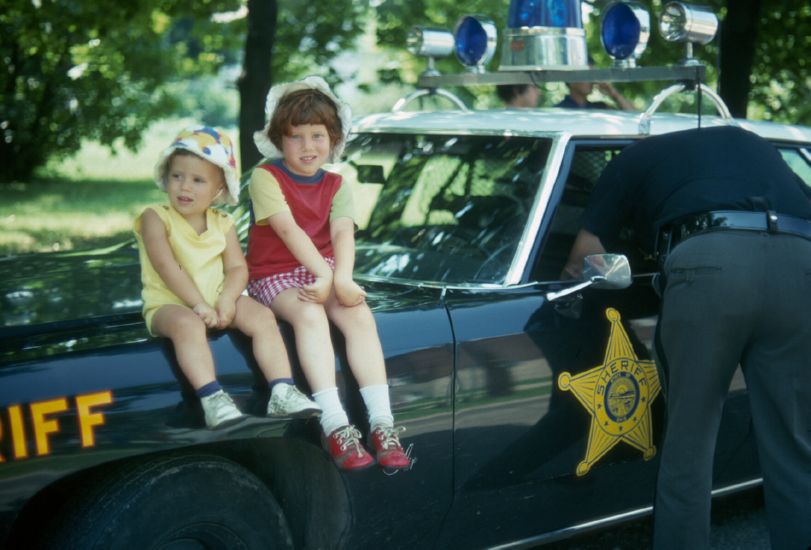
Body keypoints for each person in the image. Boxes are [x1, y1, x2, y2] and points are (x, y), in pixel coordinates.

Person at [562, 125, 811, 550]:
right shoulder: (751, 143)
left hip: (711, 266)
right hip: (800, 262)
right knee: (794, 448)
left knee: (688, 448)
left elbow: (581, 261)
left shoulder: (628, 159)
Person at [246, 76, 412, 472]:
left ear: (334, 138)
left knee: (356, 312)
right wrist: (323, 277)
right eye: (296, 136)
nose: (307, 147)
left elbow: (341, 233)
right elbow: (288, 230)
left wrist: (342, 278)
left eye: (317, 135)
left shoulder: (338, 183)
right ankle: (334, 423)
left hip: (324, 267)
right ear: (278, 140)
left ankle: (382, 425)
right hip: (276, 272)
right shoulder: (266, 177)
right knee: (308, 313)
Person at [134, 126, 321, 430]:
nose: (185, 187)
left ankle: (283, 390)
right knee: (188, 325)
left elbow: (237, 268)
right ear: (166, 177)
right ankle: (212, 399)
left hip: (217, 300)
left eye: (198, 180)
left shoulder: (223, 222)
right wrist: (199, 305)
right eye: (177, 176)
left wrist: (227, 299)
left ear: (218, 190)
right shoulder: (155, 217)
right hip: (170, 304)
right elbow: (168, 267)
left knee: (262, 316)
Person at [556, 80, 634, 111]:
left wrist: (613, 93)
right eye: (586, 76)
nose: (592, 81)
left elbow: (634, 117)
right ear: (571, 81)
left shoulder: (601, 107)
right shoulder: (559, 111)